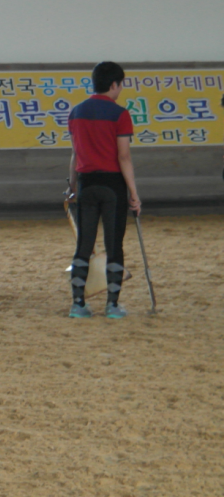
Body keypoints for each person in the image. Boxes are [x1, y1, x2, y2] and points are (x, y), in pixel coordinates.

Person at [65, 61, 141, 319]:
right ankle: (112, 306)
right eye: (121, 84)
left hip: (86, 184)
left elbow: (75, 154)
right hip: (112, 187)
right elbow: (124, 157)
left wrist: (72, 187)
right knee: (114, 245)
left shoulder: (76, 112)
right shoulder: (120, 114)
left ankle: (78, 305)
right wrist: (134, 193)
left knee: (83, 246)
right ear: (114, 84)